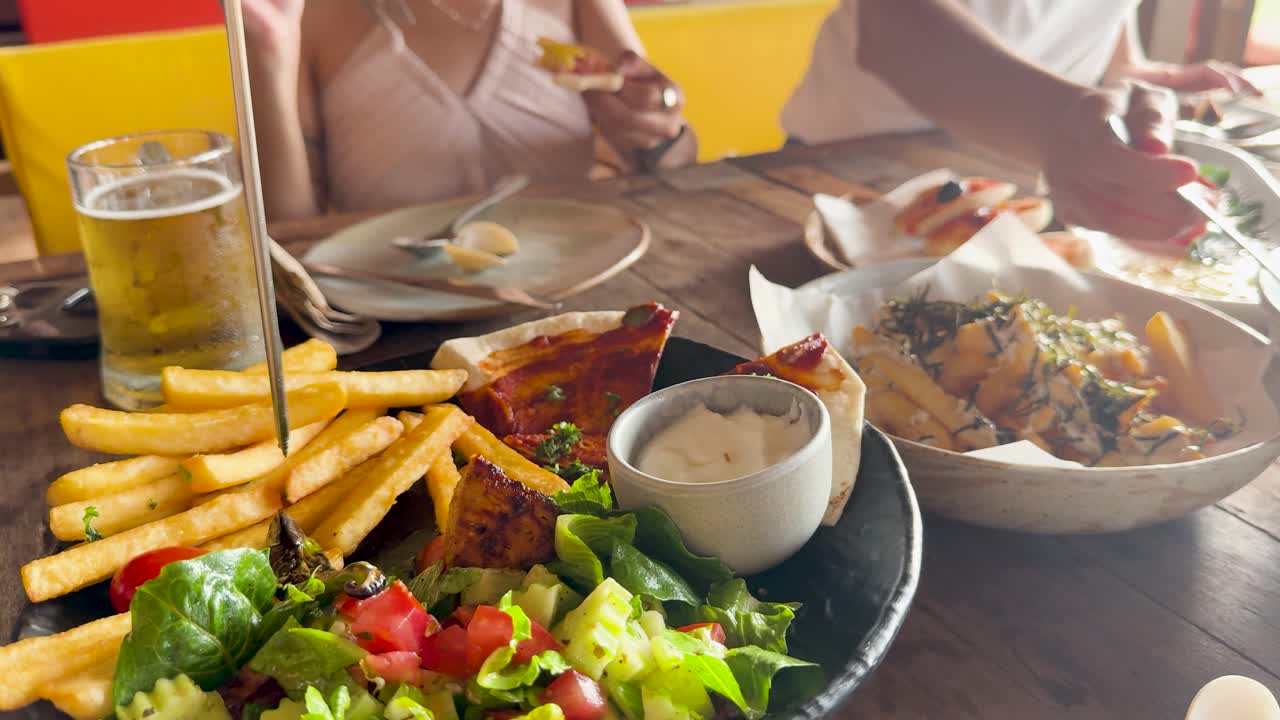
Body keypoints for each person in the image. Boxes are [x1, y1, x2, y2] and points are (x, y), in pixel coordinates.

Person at [781, 0, 1260, 249]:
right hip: (851, 173)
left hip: (1024, 173)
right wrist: (1058, 121)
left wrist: (1131, 70)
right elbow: (891, 24)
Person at [242, 0, 697, 222]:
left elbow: (674, 159)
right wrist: (266, 57)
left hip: (578, 307)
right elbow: (290, 229)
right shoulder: (310, 14)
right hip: (394, 330)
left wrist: (662, 123)